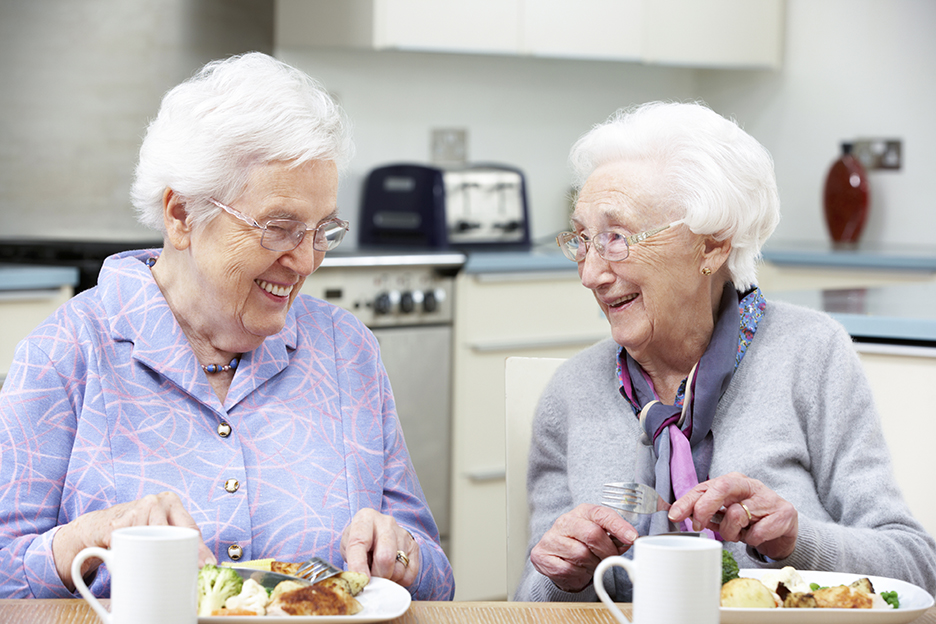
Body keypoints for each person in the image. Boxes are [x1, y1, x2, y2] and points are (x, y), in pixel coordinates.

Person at [0, 52, 454, 601]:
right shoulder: (65, 353)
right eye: (280, 227)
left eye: (322, 230)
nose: (306, 261)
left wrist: (399, 551)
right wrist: (87, 538)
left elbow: (436, 579)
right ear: (182, 216)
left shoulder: (345, 350)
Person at [513, 101, 936, 602]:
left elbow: (916, 566)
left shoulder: (810, 354)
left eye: (617, 238)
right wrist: (565, 573)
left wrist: (797, 541)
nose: (591, 273)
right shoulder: (572, 392)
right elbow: (531, 601)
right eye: (583, 240)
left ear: (711, 247)